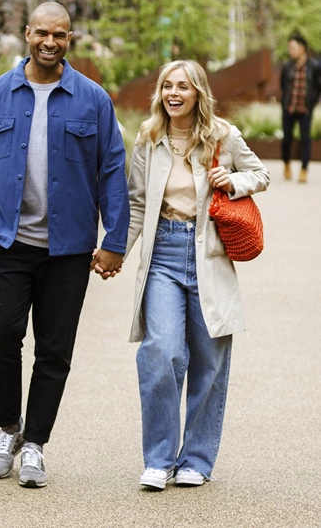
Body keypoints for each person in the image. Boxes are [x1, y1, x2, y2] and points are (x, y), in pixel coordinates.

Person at [0, 2, 129, 488]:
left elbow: (112, 171)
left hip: (68, 249)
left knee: (54, 349)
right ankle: (7, 428)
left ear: (69, 38)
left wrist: (113, 240)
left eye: (59, 34)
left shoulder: (93, 100)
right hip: (4, 241)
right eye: (41, 33)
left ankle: (34, 443)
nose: (49, 42)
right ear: (27, 34)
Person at [123, 60, 269, 491]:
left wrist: (233, 181)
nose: (173, 93)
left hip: (209, 254)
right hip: (163, 255)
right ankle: (159, 458)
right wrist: (114, 252)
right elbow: (135, 203)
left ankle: (197, 460)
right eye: (167, 86)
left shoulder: (221, 135)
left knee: (209, 359)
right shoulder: (149, 138)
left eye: (183, 87)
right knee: (161, 351)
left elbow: (259, 175)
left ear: (198, 93)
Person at [280, 33, 321, 183]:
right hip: (288, 108)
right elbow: (283, 85)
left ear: (302, 48)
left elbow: (317, 87)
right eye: (289, 48)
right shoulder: (287, 66)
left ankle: (304, 169)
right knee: (286, 139)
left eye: (293, 48)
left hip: (305, 110)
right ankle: (286, 164)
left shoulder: (315, 66)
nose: (290, 51)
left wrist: (311, 104)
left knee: (305, 139)